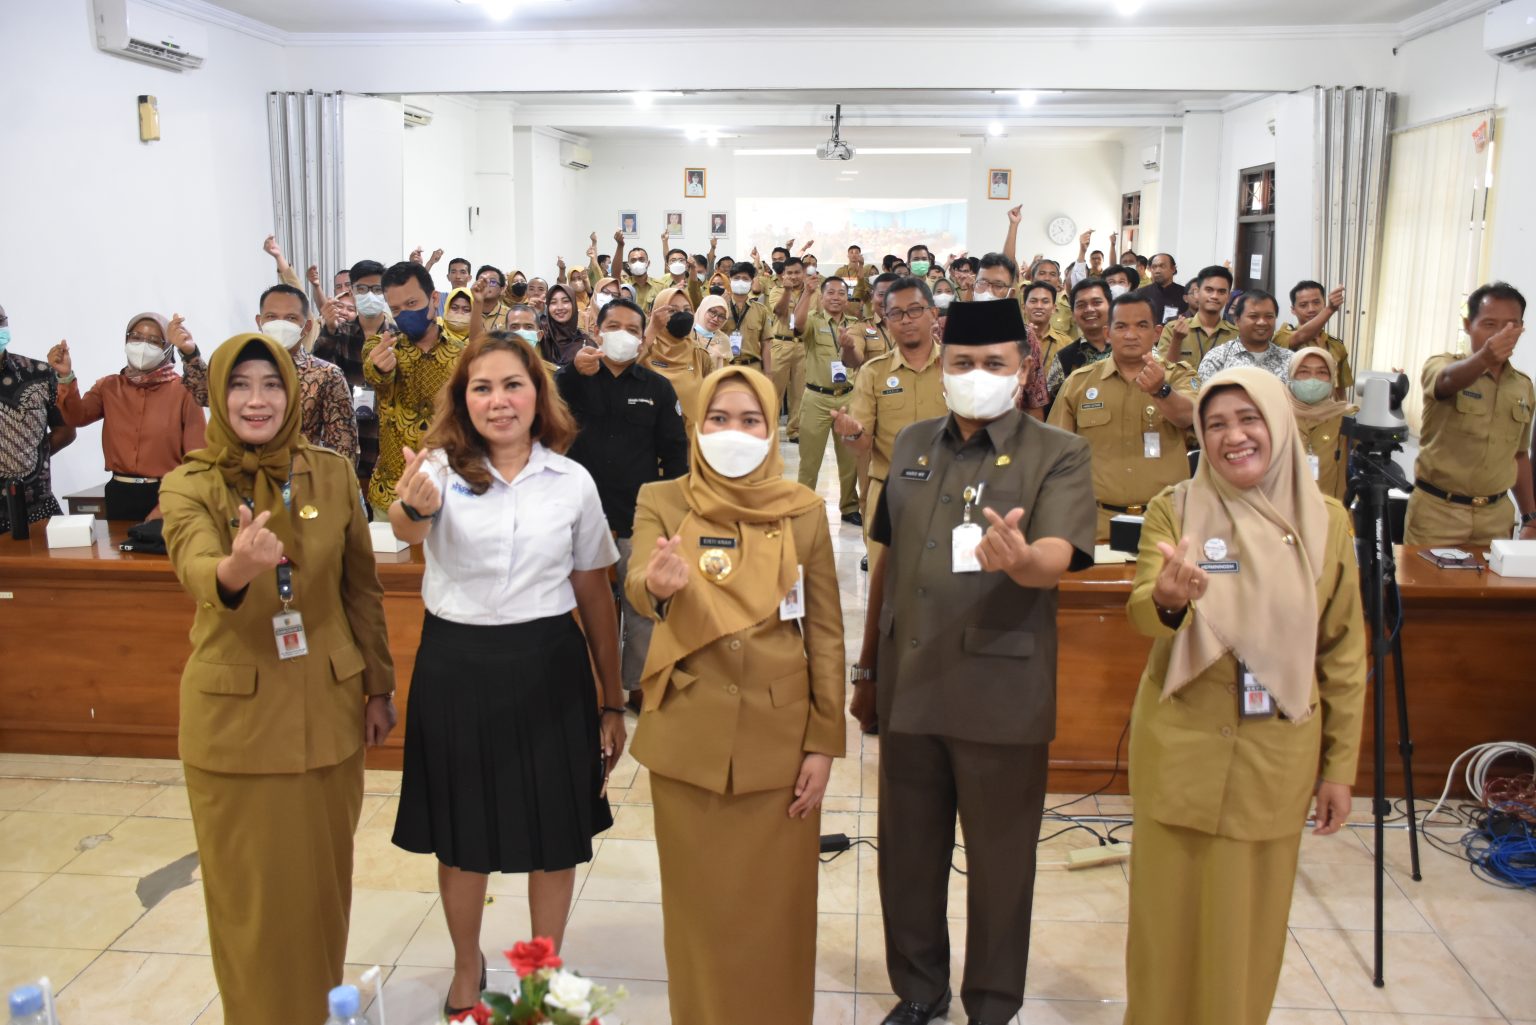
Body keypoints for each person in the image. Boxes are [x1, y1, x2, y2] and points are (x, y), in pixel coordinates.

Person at [852, 299, 1095, 1025]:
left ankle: (991, 1002)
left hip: (1001, 690)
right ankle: (919, 988)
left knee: (1001, 862)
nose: (976, 374)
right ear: (943, 368)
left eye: (994, 363)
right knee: (908, 854)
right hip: (910, 683)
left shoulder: (1058, 452)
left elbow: (1057, 556)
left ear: (1022, 370)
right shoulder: (912, 443)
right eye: (962, 362)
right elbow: (889, 560)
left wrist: (1020, 560)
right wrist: (867, 671)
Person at [159, 333, 396, 1025]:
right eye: (240, 385)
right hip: (236, 723)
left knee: (321, 889)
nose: (256, 400)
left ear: (293, 393)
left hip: (328, 710)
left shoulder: (332, 473)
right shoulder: (189, 483)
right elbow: (195, 566)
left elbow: (362, 590)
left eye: (270, 384)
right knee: (252, 898)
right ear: (218, 394)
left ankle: (318, 1010)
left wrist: (378, 685)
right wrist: (236, 568)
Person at [387, 333, 624, 1017]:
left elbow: (595, 593)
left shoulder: (571, 481)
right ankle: (467, 964)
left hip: (549, 669)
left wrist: (612, 701)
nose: (499, 400)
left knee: (554, 837)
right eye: (482, 387)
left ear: (538, 395)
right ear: (463, 399)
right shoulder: (437, 469)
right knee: (463, 839)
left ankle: (542, 969)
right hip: (456, 669)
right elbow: (406, 527)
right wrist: (414, 506)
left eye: (513, 385)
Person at [1122, 368, 1366, 1025]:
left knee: (1247, 937)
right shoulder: (1176, 508)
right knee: (1164, 933)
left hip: (1273, 758)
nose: (1234, 436)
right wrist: (1167, 599)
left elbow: (1343, 653)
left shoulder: (1328, 523)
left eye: (1248, 418)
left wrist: (1339, 769)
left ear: (1279, 423)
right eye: (1216, 424)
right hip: (1181, 751)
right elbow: (1143, 613)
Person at [626, 366, 845, 1025]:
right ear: (696, 425)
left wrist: (823, 742)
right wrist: (657, 586)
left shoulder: (802, 509)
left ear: (773, 428)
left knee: (776, 913)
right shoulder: (663, 498)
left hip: (779, 743)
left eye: (751, 420)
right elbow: (637, 583)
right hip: (689, 735)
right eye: (719, 418)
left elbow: (825, 631)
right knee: (697, 913)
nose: (734, 432)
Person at [560, 297, 689, 706]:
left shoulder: (657, 388)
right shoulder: (572, 381)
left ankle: (638, 684)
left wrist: (669, 512)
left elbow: (675, 454)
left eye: (633, 330)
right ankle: (586, 684)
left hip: (637, 516)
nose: (623, 335)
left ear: (643, 339)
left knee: (641, 605)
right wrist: (573, 371)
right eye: (613, 327)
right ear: (597, 332)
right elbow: (545, 413)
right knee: (579, 604)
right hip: (580, 518)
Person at [1049, 292, 1197, 541]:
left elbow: (1190, 417)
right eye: (1121, 326)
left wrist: (1161, 391)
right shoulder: (1079, 383)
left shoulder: (1177, 376)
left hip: (1167, 521)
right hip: (1096, 522)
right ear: (1108, 333)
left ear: (1157, 332)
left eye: (1141, 325)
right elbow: (1056, 452)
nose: (1131, 334)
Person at [1404, 281, 1536, 545]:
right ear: (1468, 325)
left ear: (1521, 328)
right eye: (1489, 324)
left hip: (1496, 518)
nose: (1499, 334)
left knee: (1491, 575)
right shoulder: (1441, 364)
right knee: (1423, 574)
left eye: (1511, 325)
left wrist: (1530, 517)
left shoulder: (1523, 386)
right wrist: (1485, 357)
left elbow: (1519, 455)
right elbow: (1445, 382)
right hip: (1437, 514)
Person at [831, 277, 948, 571]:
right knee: (885, 587)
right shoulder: (874, 373)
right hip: (889, 493)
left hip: (947, 493)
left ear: (933, 314)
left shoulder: (956, 367)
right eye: (896, 313)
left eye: (915, 310)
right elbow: (861, 447)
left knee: (945, 584)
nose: (905, 320)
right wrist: (852, 433)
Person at [48, 312, 208, 521]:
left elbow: (197, 454)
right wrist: (65, 376)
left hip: (167, 492)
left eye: (154, 341)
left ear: (167, 348)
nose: (143, 345)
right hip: (119, 492)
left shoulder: (183, 391)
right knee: (119, 543)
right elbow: (76, 417)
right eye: (136, 337)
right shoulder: (109, 386)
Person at [361, 261, 466, 519]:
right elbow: (375, 373)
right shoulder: (382, 348)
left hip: (451, 492)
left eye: (411, 304)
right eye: (396, 309)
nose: (405, 314)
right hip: (392, 493)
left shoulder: (463, 354)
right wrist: (380, 367)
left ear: (434, 299)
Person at [255, 284, 358, 465]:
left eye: (291, 318)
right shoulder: (242, 370)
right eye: (271, 317)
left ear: (307, 325)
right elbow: (208, 397)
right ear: (259, 321)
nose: (280, 324)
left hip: (302, 475)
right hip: (246, 475)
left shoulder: (326, 374)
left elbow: (343, 445)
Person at [791, 275, 861, 521]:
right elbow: (798, 325)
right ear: (822, 297)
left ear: (847, 298)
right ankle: (803, 505)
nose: (836, 298)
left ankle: (850, 507)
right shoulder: (812, 319)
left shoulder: (855, 325)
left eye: (841, 293)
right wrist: (806, 293)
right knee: (810, 459)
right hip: (816, 398)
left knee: (849, 459)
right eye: (830, 293)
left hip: (848, 398)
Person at [0, 302, 75, 532]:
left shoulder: (38, 373)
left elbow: (66, 431)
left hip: (36, 509)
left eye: (0, 321)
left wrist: (30, 456)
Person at [315, 259, 387, 487]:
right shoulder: (340, 333)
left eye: (377, 289)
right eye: (362, 289)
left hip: (383, 442)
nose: (370, 295)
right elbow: (320, 370)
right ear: (352, 292)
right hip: (346, 438)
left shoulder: (397, 337)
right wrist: (329, 329)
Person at [973, 253, 1048, 418]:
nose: (988, 291)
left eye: (998, 285)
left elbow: (1035, 401)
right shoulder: (949, 329)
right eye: (982, 283)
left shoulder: (1025, 337)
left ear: (1011, 293)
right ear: (974, 286)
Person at [1288, 347, 1357, 501]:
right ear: (1291, 376)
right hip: (1282, 508)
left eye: (1322, 372)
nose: (1313, 380)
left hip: (1330, 508)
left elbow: (1373, 442)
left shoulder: (1346, 415)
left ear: (1332, 378)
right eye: (1304, 371)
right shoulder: (1274, 413)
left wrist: (1389, 397)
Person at [644, 287, 713, 434]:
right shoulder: (645, 351)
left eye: (687, 309)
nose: (682, 315)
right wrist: (652, 328)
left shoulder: (699, 353)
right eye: (672, 311)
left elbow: (711, 397)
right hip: (653, 439)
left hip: (691, 439)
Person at [1276, 282, 1354, 398]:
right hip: (1292, 407)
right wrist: (1330, 309)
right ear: (1293, 310)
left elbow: (1339, 389)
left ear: (1324, 304)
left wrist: (1342, 409)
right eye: (1303, 305)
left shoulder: (1336, 345)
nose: (1311, 309)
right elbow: (1301, 336)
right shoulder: (1282, 336)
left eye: (1316, 302)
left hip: (1327, 408)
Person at [1197, 290, 1292, 384]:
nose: (1262, 322)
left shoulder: (1290, 360)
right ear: (1237, 320)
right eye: (1253, 316)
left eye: (1269, 316)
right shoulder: (1217, 358)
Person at [1045, 278, 1114, 403]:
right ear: (1073, 314)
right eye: (1081, 305)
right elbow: (1052, 405)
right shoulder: (1064, 358)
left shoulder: (1132, 348)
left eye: (1096, 302)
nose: (1089, 309)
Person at [1160, 265, 1239, 366]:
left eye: (1221, 292)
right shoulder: (1173, 329)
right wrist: (1177, 340)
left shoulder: (1236, 335)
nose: (1214, 296)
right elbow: (1163, 370)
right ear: (1197, 293)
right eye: (1209, 290)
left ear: (1228, 297)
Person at [769, 257, 811, 441]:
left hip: (803, 345)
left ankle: (795, 430)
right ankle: (770, 429)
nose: (793, 277)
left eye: (797, 272)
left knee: (799, 391)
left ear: (803, 273)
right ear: (783, 274)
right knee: (774, 390)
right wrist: (787, 291)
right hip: (781, 344)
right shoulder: (777, 290)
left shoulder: (813, 293)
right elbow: (779, 312)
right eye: (790, 273)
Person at [613, 230, 669, 312]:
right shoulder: (624, 285)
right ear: (628, 265)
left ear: (648, 263)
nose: (637, 262)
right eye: (633, 260)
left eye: (641, 259)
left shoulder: (661, 287)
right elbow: (615, 275)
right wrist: (620, 245)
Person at [539, 282, 589, 369]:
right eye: (553, 302)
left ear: (574, 304)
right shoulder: (542, 339)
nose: (559, 307)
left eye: (565, 301)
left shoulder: (586, 343)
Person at [1139, 253, 1185, 324]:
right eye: (1154, 267)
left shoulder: (1185, 294)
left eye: (1162, 266)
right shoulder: (1140, 294)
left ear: (1173, 269)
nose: (1157, 271)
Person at [693, 294, 732, 370]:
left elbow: (725, 371)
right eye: (713, 312)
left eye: (721, 316)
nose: (715, 319)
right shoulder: (686, 334)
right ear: (703, 309)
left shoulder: (724, 340)